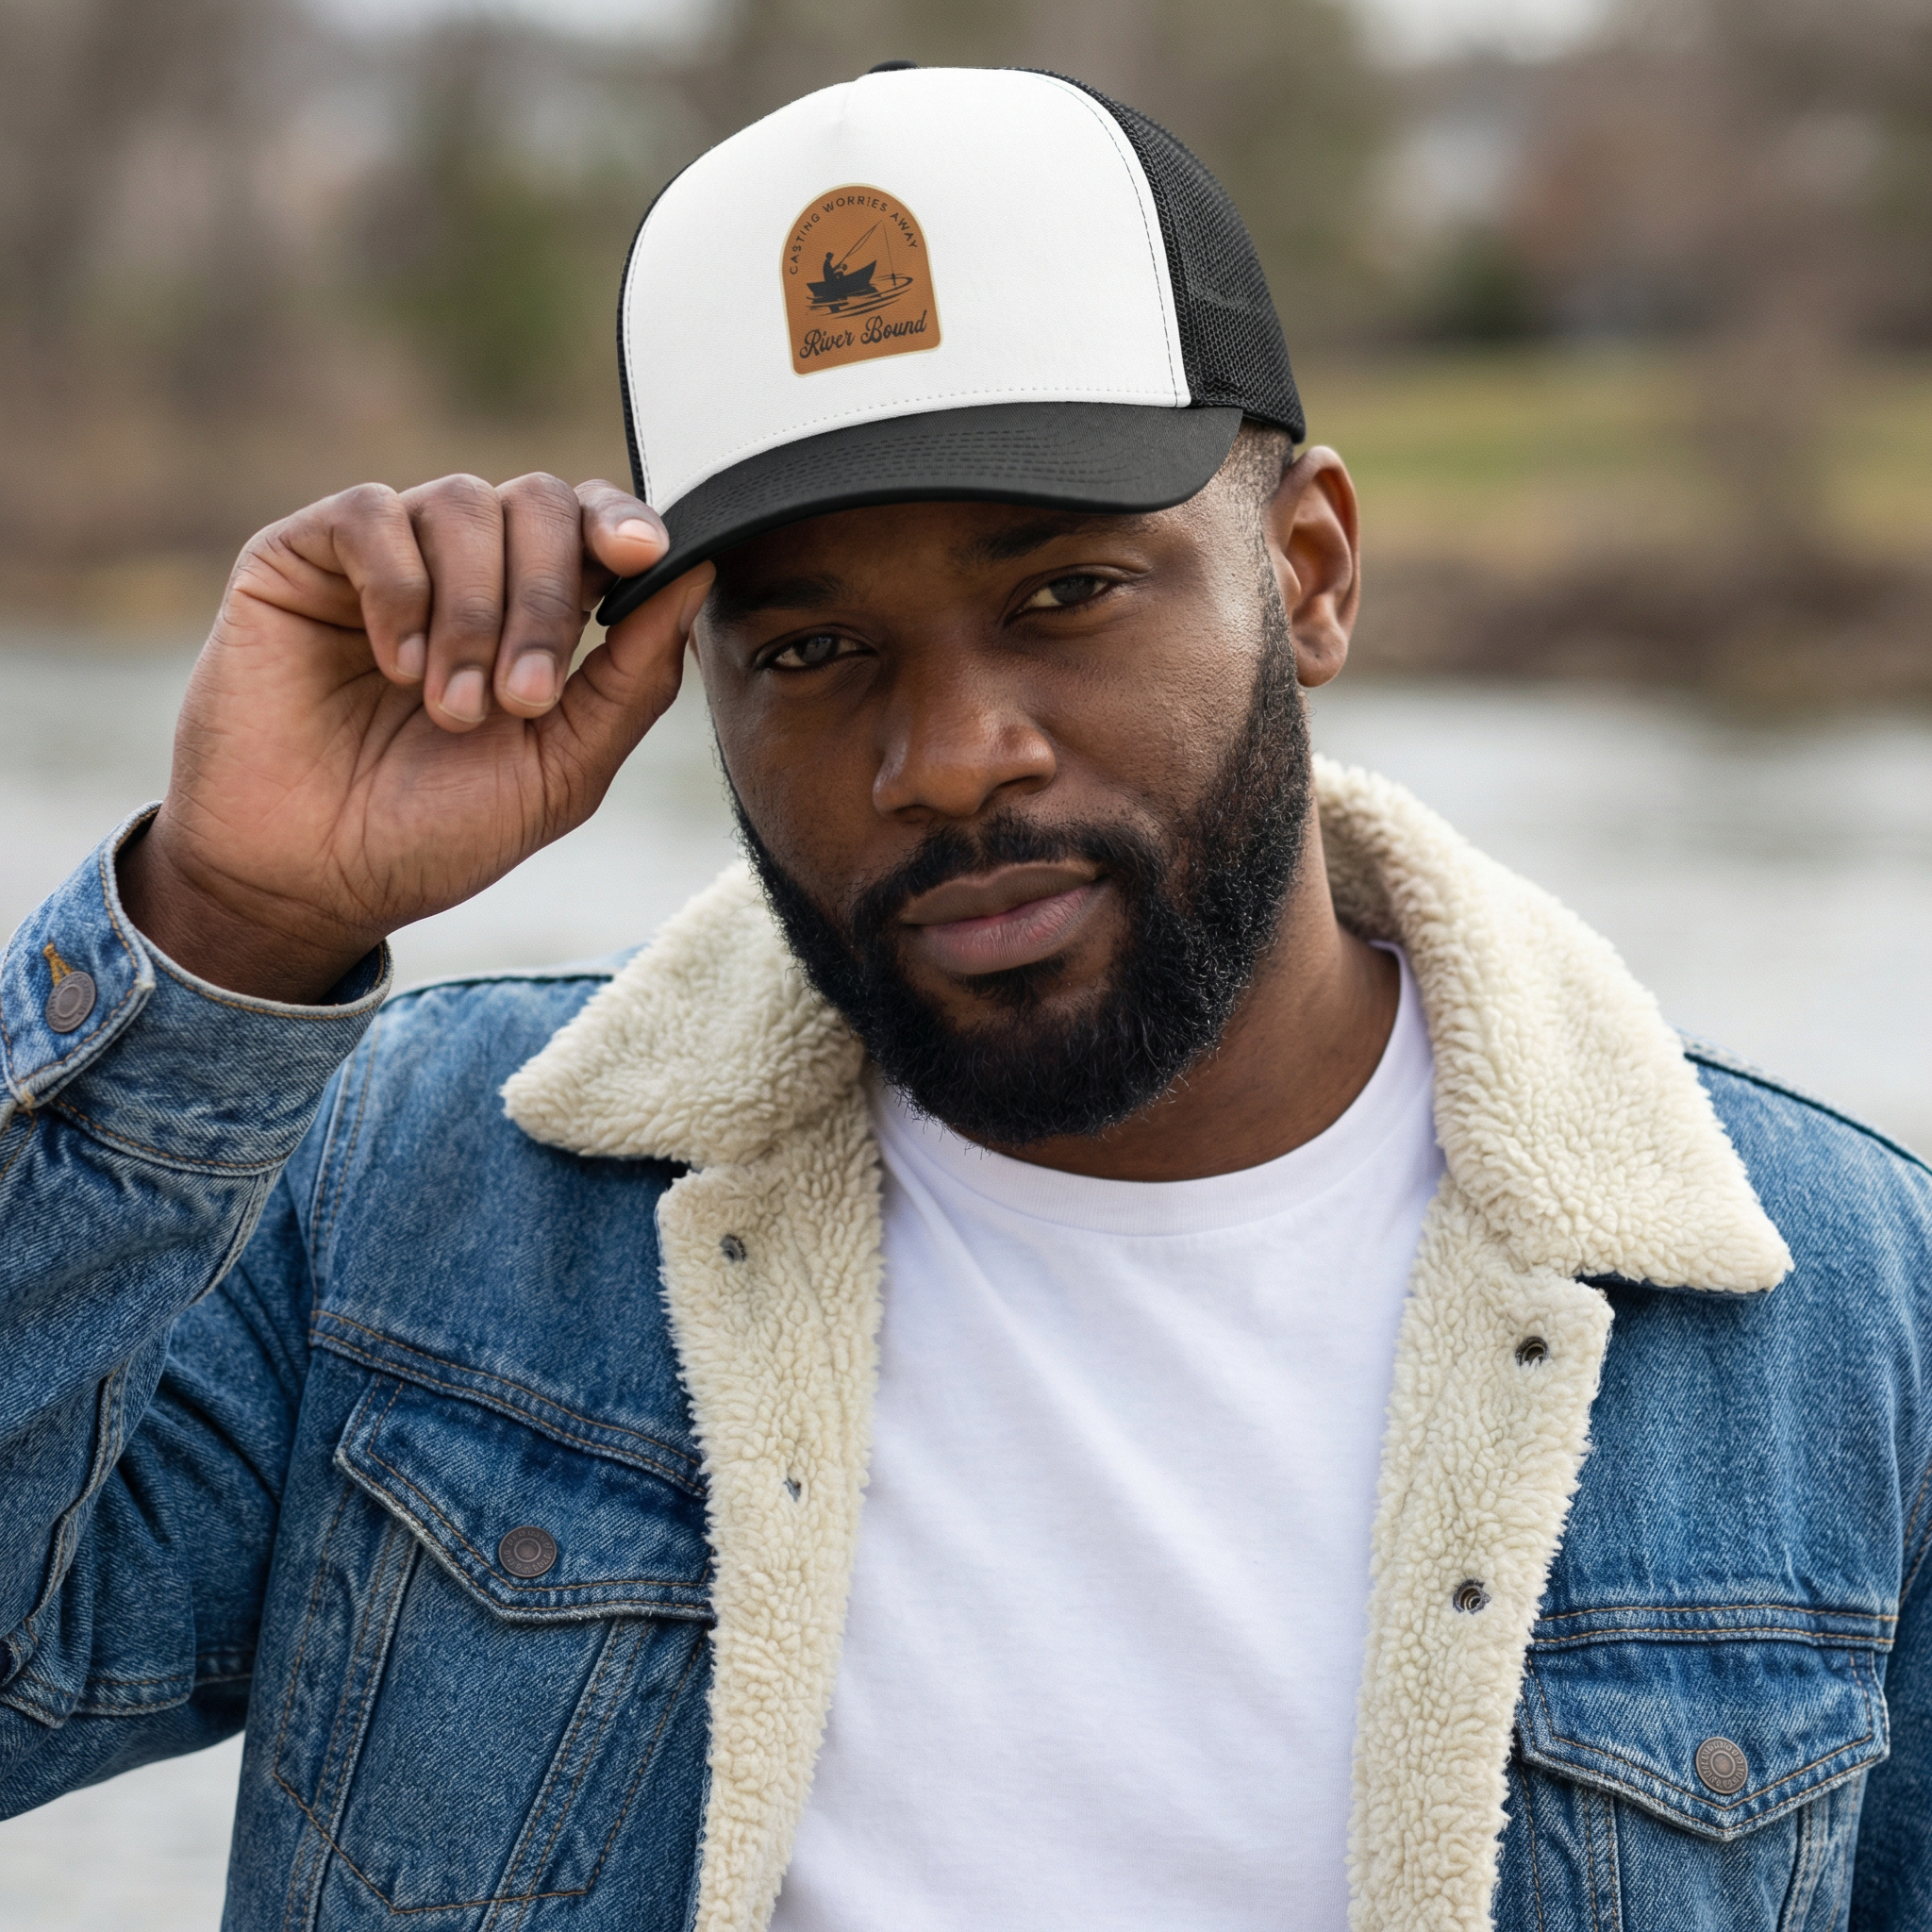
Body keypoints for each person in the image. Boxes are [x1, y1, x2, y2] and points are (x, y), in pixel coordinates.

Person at [2, 63, 1928, 1932]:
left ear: (1311, 573)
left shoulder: (1829, 1310)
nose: (947, 753)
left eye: (1065, 592)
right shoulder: (423, 1193)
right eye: (817, 644)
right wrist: (229, 922)